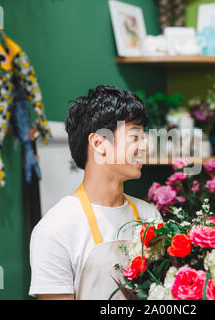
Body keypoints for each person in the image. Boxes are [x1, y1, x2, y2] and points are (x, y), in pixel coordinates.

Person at [28, 85, 162, 300]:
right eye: (135, 137)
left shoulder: (150, 216)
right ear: (99, 143)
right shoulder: (54, 229)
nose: (145, 147)